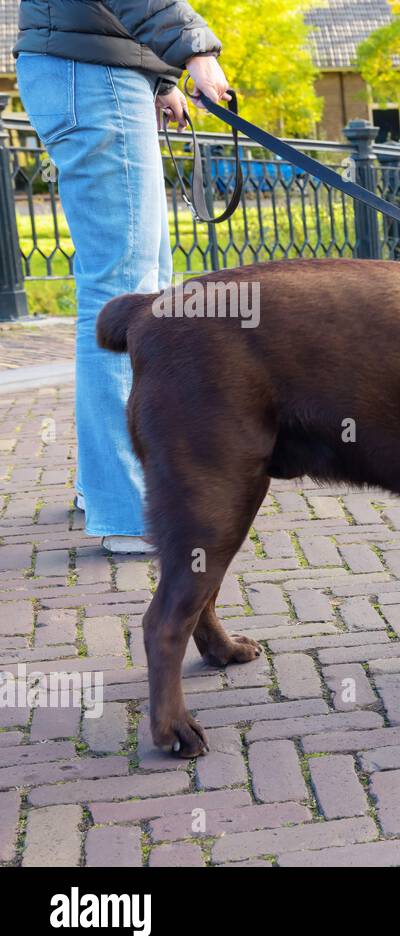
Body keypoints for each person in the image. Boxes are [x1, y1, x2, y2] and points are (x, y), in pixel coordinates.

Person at [14, 1, 231, 553]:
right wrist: (196, 50)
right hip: (93, 77)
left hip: (97, 70)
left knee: (144, 296)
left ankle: (108, 487)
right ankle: (127, 511)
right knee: (124, 299)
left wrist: (159, 78)